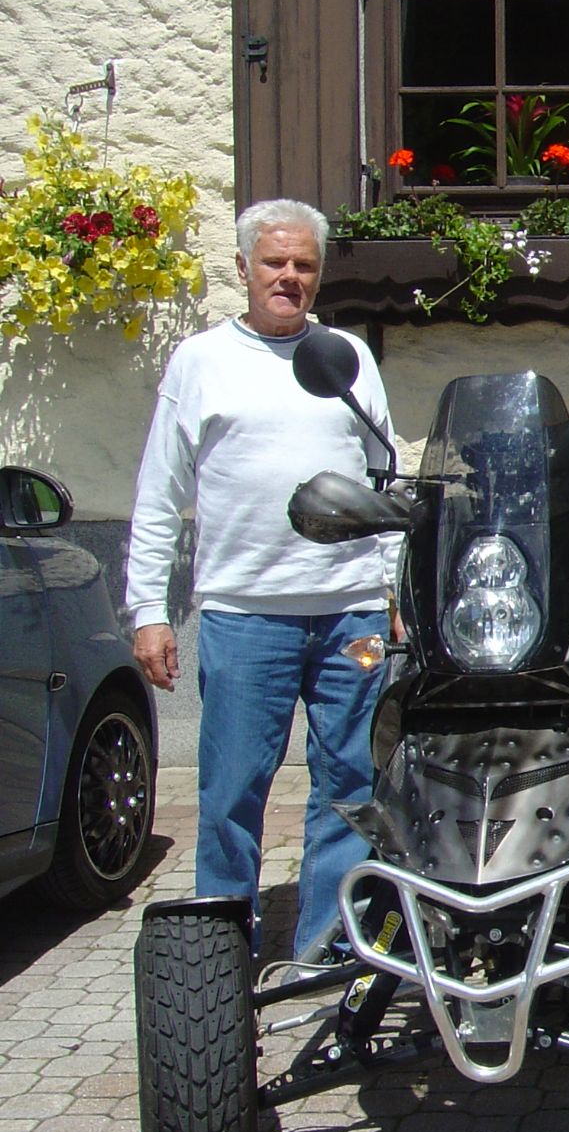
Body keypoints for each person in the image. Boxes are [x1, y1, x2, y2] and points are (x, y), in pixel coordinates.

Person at [128, 199, 397, 961]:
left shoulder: (346, 354)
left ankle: (328, 948)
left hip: (350, 612)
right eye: (275, 262)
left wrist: (392, 590)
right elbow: (158, 493)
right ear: (243, 267)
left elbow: (384, 479)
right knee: (232, 789)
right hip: (246, 615)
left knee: (350, 787)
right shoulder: (201, 361)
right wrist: (148, 608)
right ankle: (218, 953)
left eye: (304, 265)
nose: (289, 277)